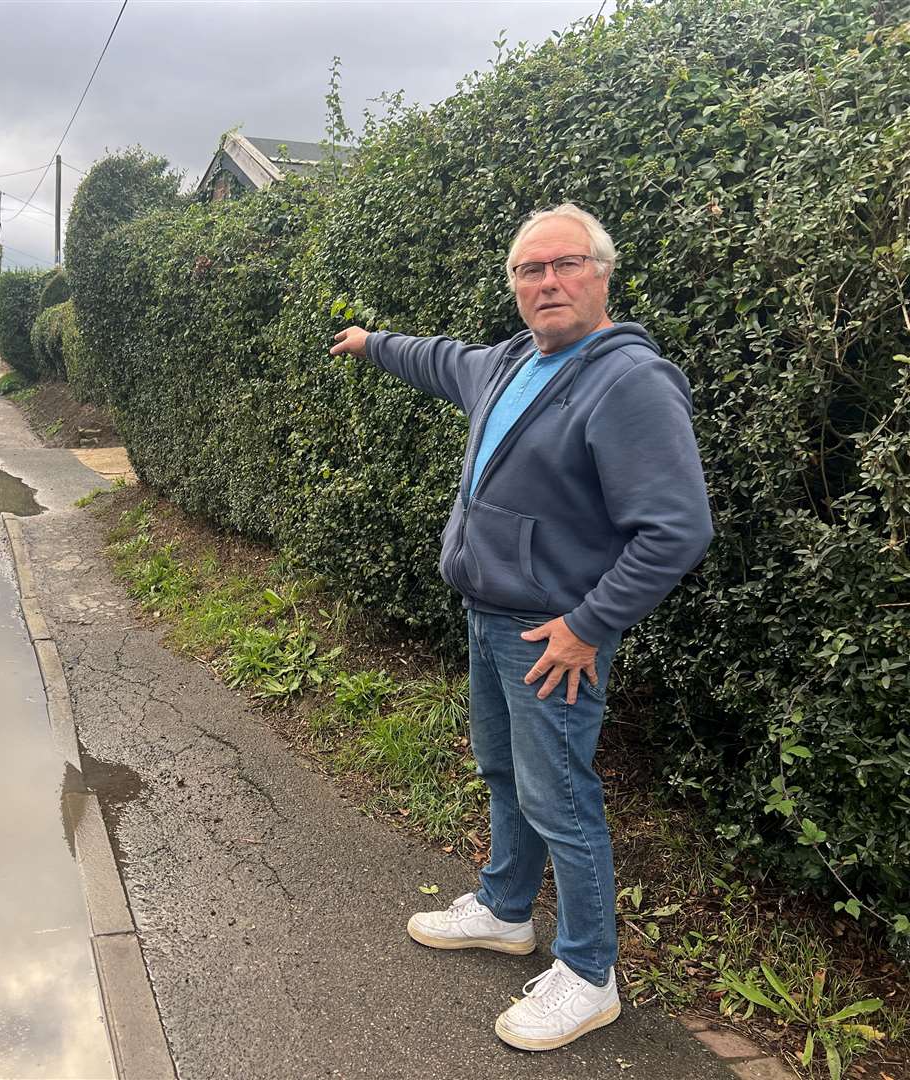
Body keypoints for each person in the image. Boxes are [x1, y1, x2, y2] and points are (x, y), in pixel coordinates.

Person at [329, 203, 713, 1052]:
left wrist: (589, 625)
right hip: (489, 612)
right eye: (530, 271)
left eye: (566, 264)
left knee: (561, 798)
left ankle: (588, 974)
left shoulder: (628, 381)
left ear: (602, 273)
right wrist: (369, 341)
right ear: (514, 286)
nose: (548, 282)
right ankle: (506, 911)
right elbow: (436, 358)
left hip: (553, 633)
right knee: (504, 770)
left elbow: (678, 529)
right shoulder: (508, 363)